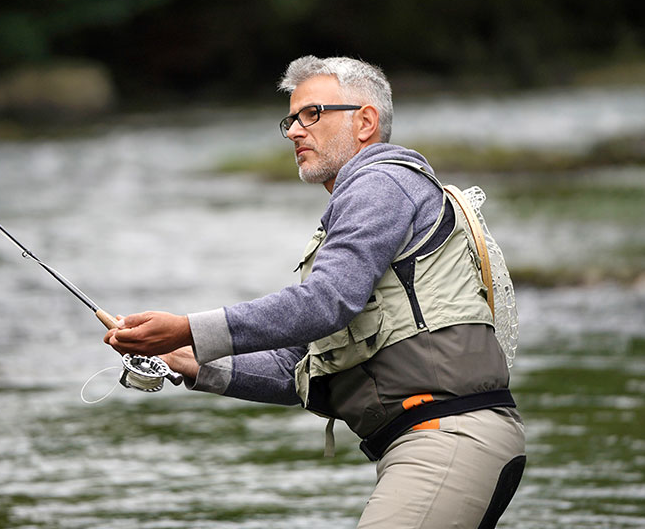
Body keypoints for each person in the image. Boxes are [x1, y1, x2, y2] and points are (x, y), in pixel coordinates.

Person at [105, 55, 525, 529]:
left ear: (365, 121)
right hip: (435, 442)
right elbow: (300, 369)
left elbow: (326, 302)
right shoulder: (367, 202)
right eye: (291, 119)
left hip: (449, 438)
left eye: (313, 114)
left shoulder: (381, 182)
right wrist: (192, 359)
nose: (294, 131)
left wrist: (189, 328)